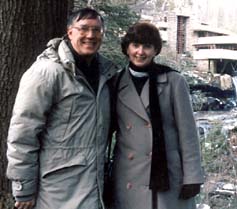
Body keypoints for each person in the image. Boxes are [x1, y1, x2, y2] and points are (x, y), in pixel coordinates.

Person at [6, 8, 118, 209]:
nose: (91, 35)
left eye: (97, 30)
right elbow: (23, 134)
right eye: (83, 29)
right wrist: (24, 189)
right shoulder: (47, 72)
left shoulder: (105, 74)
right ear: (70, 32)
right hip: (57, 190)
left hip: (94, 186)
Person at [110, 22, 205, 209]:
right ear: (127, 48)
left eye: (147, 46)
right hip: (128, 177)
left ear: (155, 50)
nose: (140, 52)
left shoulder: (173, 81)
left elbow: (188, 134)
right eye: (135, 45)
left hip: (168, 176)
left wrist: (193, 177)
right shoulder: (115, 83)